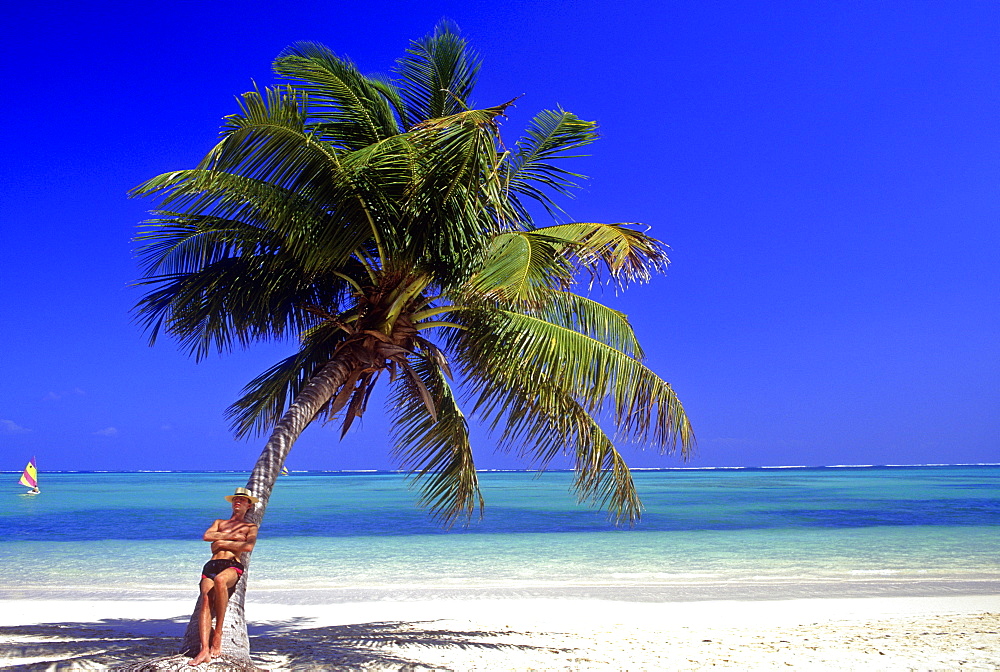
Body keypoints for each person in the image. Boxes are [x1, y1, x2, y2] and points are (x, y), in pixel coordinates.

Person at [189, 487, 259, 666]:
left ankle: (218, 634)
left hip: (231, 565)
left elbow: (248, 547)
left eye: (242, 500)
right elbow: (207, 536)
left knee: (220, 581)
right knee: (205, 599)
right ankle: (204, 649)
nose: (238, 502)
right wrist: (233, 538)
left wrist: (220, 541)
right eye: (236, 499)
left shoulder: (250, 527)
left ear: (248, 506)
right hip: (211, 565)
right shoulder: (219, 522)